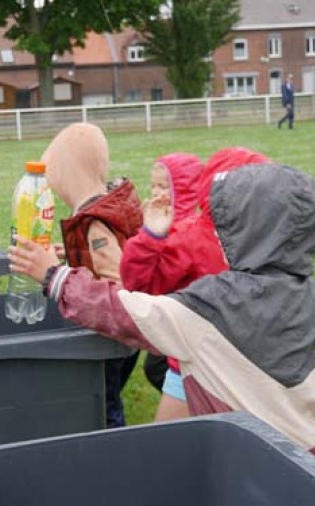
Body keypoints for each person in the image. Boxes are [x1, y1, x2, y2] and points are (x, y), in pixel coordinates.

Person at [10, 162, 315, 482]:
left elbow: (120, 311)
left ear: (246, 232)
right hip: (310, 475)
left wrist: (54, 277)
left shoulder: (210, 307)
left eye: (226, 225)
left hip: (237, 473)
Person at [121, 148, 268, 422]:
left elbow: (138, 284)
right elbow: (140, 283)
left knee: (182, 449)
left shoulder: (266, 239)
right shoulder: (193, 236)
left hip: (235, 364)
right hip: (206, 363)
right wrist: (150, 237)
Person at [41, 122, 142, 428]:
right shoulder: (111, 206)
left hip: (111, 334)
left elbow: (115, 277)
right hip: (125, 333)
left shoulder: (94, 223)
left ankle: (110, 441)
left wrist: (60, 274)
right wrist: (70, 258)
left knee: (105, 402)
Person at [120, 152, 204, 419]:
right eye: (153, 185)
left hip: (181, 321)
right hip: (174, 317)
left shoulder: (182, 232)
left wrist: (150, 237)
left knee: (158, 368)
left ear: (184, 189)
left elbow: (145, 281)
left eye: (163, 186)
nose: (156, 192)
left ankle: (195, 405)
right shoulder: (172, 223)